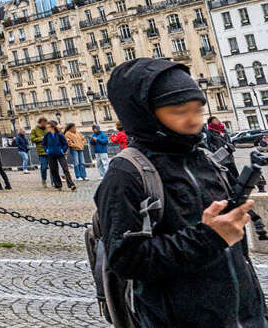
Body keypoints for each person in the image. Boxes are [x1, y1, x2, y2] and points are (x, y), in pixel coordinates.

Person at [96, 57, 265, 327]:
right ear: (144, 113)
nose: (193, 120)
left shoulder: (207, 159)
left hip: (245, 316)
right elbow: (127, 260)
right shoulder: (126, 175)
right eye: (178, 111)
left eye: (197, 110)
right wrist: (208, 237)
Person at [42, 120, 75, 191]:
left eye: (48, 127)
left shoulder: (60, 134)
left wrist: (62, 150)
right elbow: (44, 144)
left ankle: (71, 184)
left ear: (52, 127)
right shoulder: (47, 135)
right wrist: (46, 150)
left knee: (65, 169)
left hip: (60, 154)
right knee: (54, 170)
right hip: (51, 155)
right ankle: (58, 185)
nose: (47, 129)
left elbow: (65, 144)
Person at [30, 117, 50, 186]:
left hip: (50, 150)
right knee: (44, 167)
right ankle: (43, 180)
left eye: (46, 123)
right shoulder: (34, 130)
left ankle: (54, 182)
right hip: (41, 151)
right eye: (44, 123)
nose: (45, 124)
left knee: (53, 167)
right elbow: (32, 139)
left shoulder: (47, 129)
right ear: (40, 123)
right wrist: (41, 138)